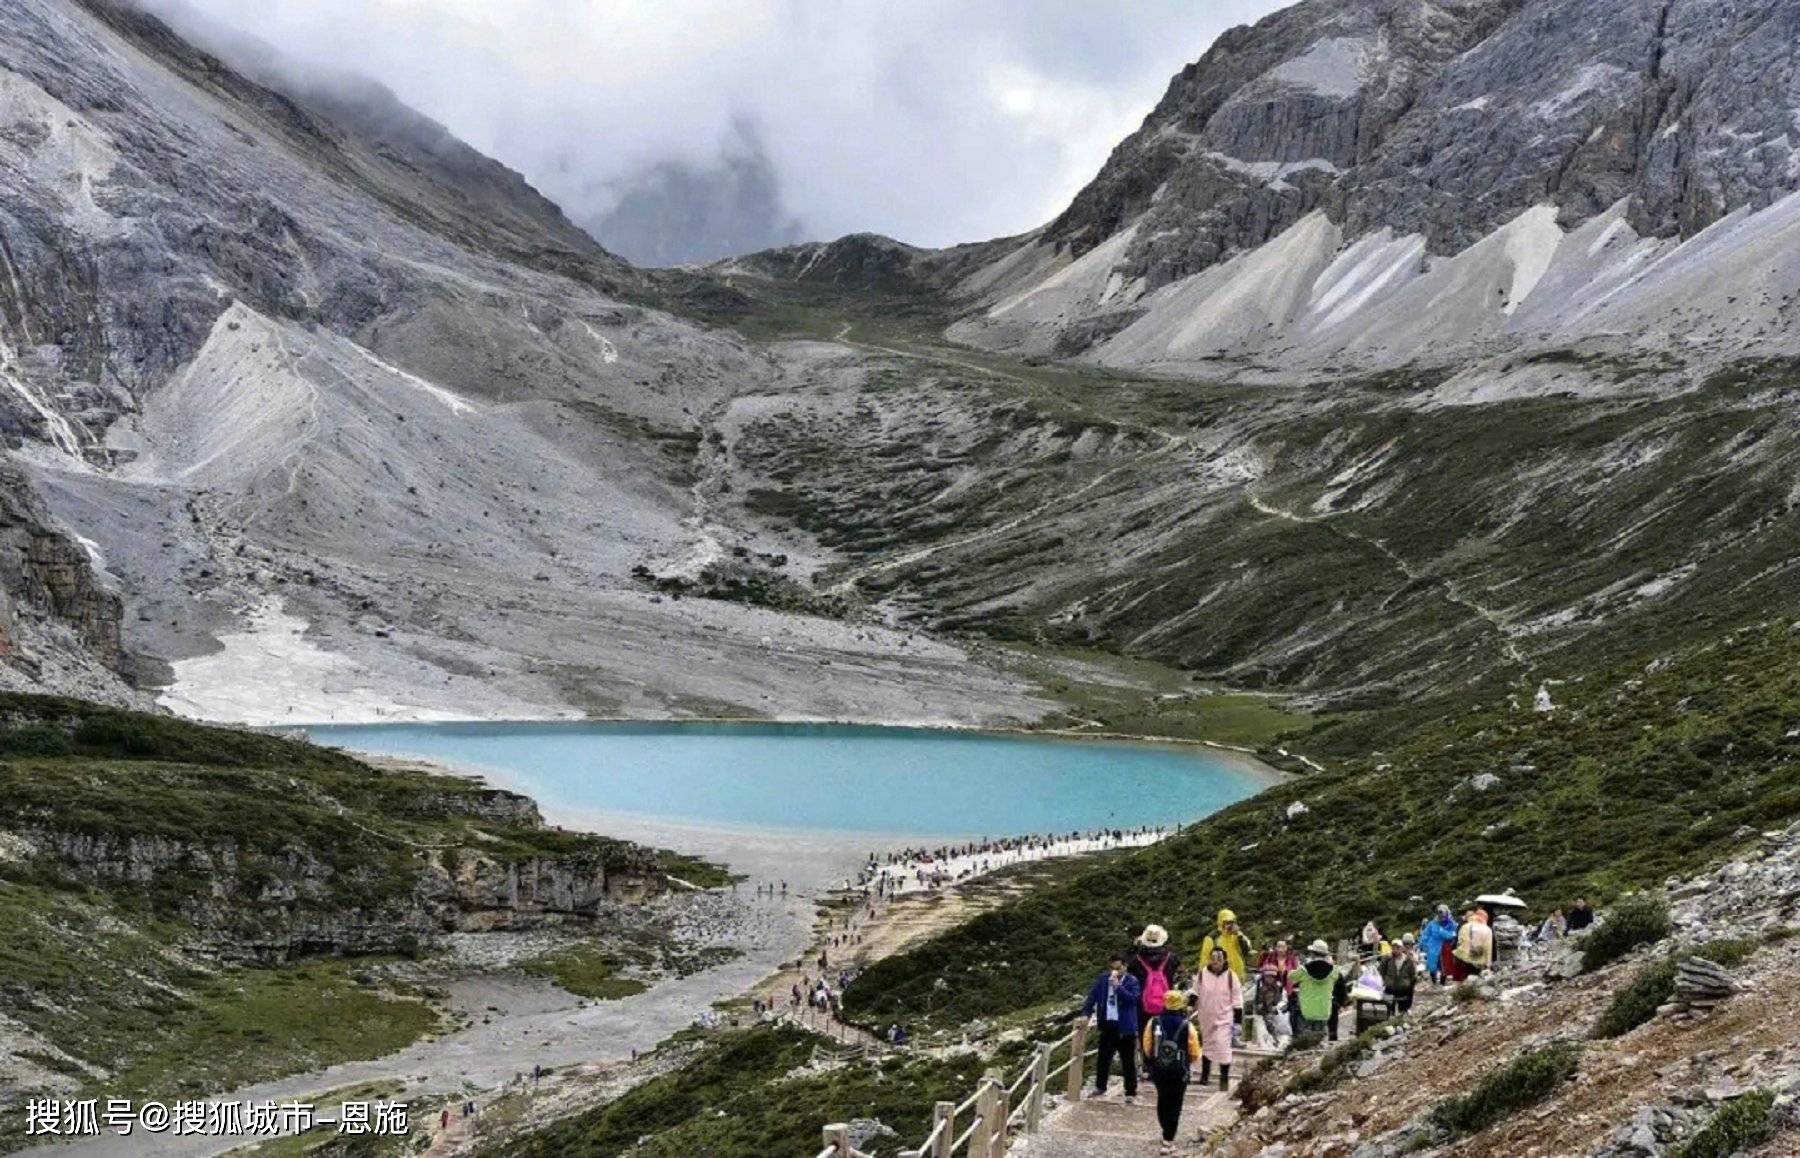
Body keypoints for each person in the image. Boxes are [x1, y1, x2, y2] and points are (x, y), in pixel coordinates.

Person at [1140, 989, 1199, 1154]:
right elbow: (1194, 1051)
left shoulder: (1154, 1022)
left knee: (1162, 1099)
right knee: (1176, 1102)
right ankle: (1169, 1138)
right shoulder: (1187, 1025)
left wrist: (1154, 1061)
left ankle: (1165, 1128)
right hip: (1179, 1071)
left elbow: (1147, 1046)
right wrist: (1187, 1062)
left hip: (1159, 1070)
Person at [1081, 954, 1141, 1103]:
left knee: (1127, 1061)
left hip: (1125, 1027)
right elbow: (1092, 996)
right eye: (1112, 968)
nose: (1115, 971)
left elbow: (1133, 1000)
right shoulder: (1103, 979)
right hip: (1108, 1024)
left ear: (1125, 967)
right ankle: (1100, 1086)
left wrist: (1118, 987)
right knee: (1103, 1058)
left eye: (1118, 968)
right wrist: (1085, 1014)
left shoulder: (1132, 981)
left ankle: (1130, 1092)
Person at [1191, 948, 1241, 1091]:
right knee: (1208, 1044)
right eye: (1213, 958)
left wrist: (1238, 1023)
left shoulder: (1232, 976)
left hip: (1225, 1017)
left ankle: (1223, 1078)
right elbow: (1195, 992)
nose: (1215, 962)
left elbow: (1238, 999)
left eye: (1219, 959)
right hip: (1206, 1016)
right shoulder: (1202, 975)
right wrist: (1189, 1006)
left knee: (1223, 1045)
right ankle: (1205, 1076)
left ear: (1224, 960)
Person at [1289, 941, 1341, 1043]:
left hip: (1306, 1010)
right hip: (1324, 1011)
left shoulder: (1304, 970)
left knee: (1304, 1042)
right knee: (1320, 1042)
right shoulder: (1334, 970)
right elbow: (1336, 978)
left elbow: (1291, 976)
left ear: (1312, 953)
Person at [1128, 925, 1181, 1016]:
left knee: (1145, 1029)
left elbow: (1126, 966)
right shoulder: (1171, 958)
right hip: (1167, 1003)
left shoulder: (1136, 959)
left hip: (1143, 1005)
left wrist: (1134, 948)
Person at [1200, 909, 1253, 986]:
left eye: (1232, 922)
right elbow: (1205, 960)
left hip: (1238, 977)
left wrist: (1239, 935)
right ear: (1221, 922)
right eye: (1227, 923)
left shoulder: (1238, 936)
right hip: (1220, 978)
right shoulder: (1212, 938)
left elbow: (1247, 950)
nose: (1230, 925)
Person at [1418, 905, 1459, 986]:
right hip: (1433, 948)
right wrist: (1424, 945)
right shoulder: (1432, 924)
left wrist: (1443, 932)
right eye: (1439, 913)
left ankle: (1442, 982)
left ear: (1447, 913)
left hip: (1445, 948)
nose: (1441, 915)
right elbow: (1425, 934)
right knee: (1432, 966)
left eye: (1442, 913)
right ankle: (1434, 981)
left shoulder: (1452, 924)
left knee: (1445, 966)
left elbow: (1454, 935)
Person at [1452, 909, 1494, 980]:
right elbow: (1488, 948)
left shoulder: (1464, 926)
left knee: (1461, 980)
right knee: (1474, 980)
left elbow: (1459, 942)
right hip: (1477, 958)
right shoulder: (1487, 929)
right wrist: (1488, 964)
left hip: (1462, 958)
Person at [1378, 938, 1417, 1014]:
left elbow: (1412, 975)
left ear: (1402, 948)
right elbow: (1381, 971)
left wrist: (1408, 984)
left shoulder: (1408, 960)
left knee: (1403, 1009)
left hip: (1403, 988)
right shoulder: (1387, 959)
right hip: (1389, 987)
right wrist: (1385, 981)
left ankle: (1401, 1021)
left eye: (1398, 948)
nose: (1395, 950)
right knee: (1389, 1008)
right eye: (1393, 948)